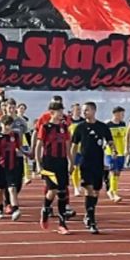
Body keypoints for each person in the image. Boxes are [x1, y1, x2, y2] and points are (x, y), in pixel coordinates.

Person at [70, 101, 114, 234]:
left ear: (94, 111)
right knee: (88, 189)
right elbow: (74, 146)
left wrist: (113, 151)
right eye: (83, 110)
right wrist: (71, 162)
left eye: (87, 110)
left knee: (95, 191)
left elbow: (110, 141)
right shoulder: (80, 127)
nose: (84, 112)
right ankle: (91, 220)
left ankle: (89, 213)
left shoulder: (102, 126)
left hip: (98, 163)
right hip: (85, 162)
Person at [37, 99, 72, 234]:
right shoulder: (45, 127)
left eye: (62, 111)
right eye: (59, 111)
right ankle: (45, 209)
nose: (61, 114)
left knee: (63, 192)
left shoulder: (64, 128)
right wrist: (39, 163)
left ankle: (62, 224)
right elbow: (39, 146)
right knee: (53, 190)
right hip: (49, 161)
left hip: (61, 161)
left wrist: (71, 162)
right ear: (51, 112)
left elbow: (68, 146)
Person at [0, 115, 24, 221]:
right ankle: (0, 209)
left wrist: (25, 153)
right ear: (2, 125)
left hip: (12, 165)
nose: (8, 127)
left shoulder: (15, 136)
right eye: (6, 125)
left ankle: (15, 209)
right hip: (1, 165)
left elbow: (19, 148)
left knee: (12, 188)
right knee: (0, 189)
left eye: (10, 125)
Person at [105, 106, 128, 203]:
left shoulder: (123, 124)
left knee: (117, 173)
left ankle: (111, 189)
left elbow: (125, 137)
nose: (123, 116)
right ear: (115, 114)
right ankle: (113, 192)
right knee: (113, 171)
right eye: (121, 114)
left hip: (121, 152)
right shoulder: (108, 125)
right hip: (111, 153)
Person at [68, 103, 85, 196]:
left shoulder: (83, 121)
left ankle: (81, 183)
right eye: (77, 109)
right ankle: (76, 187)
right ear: (72, 110)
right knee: (75, 167)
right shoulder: (68, 121)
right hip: (73, 148)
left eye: (80, 109)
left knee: (83, 168)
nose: (79, 111)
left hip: (83, 148)